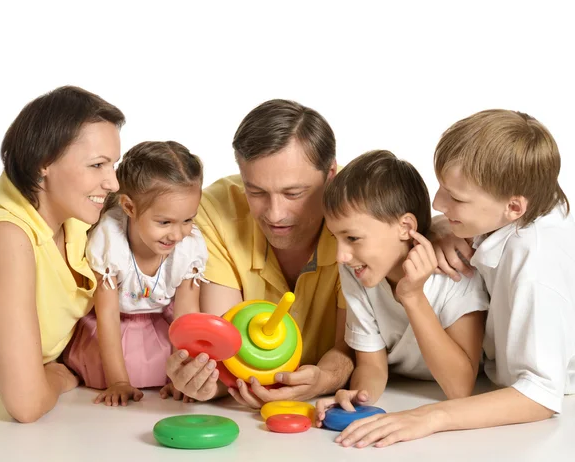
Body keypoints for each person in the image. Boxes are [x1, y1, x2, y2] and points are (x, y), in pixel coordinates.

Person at [334, 109, 575, 448]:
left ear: (515, 208)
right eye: (443, 188)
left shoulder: (536, 265)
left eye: (456, 198)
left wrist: (431, 417)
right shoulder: (505, 213)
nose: (437, 202)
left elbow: (540, 395)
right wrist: (437, 225)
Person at [165, 99, 355, 405]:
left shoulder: (362, 209)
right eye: (256, 192)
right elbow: (225, 353)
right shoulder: (214, 211)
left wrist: (325, 379)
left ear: (330, 175)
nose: (275, 214)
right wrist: (207, 384)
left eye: (294, 193)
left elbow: (352, 346)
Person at [0, 86, 124, 422]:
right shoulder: (6, 236)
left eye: (113, 165)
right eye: (98, 165)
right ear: (44, 162)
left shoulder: (74, 219)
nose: (112, 183)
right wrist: (57, 376)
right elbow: (25, 405)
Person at [315, 150, 488, 425]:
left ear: (405, 227)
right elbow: (372, 364)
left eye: (352, 237)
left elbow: (460, 387)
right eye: (336, 237)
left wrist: (413, 296)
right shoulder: (357, 270)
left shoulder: (457, 272)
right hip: (404, 392)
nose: (340, 255)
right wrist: (359, 397)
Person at [63, 141, 208, 407]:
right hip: (115, 326)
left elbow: (186, 315)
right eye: (164, 222)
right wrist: (118, 381)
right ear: (129, 208)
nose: (177, 234)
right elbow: (107, 316)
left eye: (187, 220)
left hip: (159, 323)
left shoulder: (189, 248)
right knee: (108, 362)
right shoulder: (110, 241)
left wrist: (181, 375)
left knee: (165, 358)